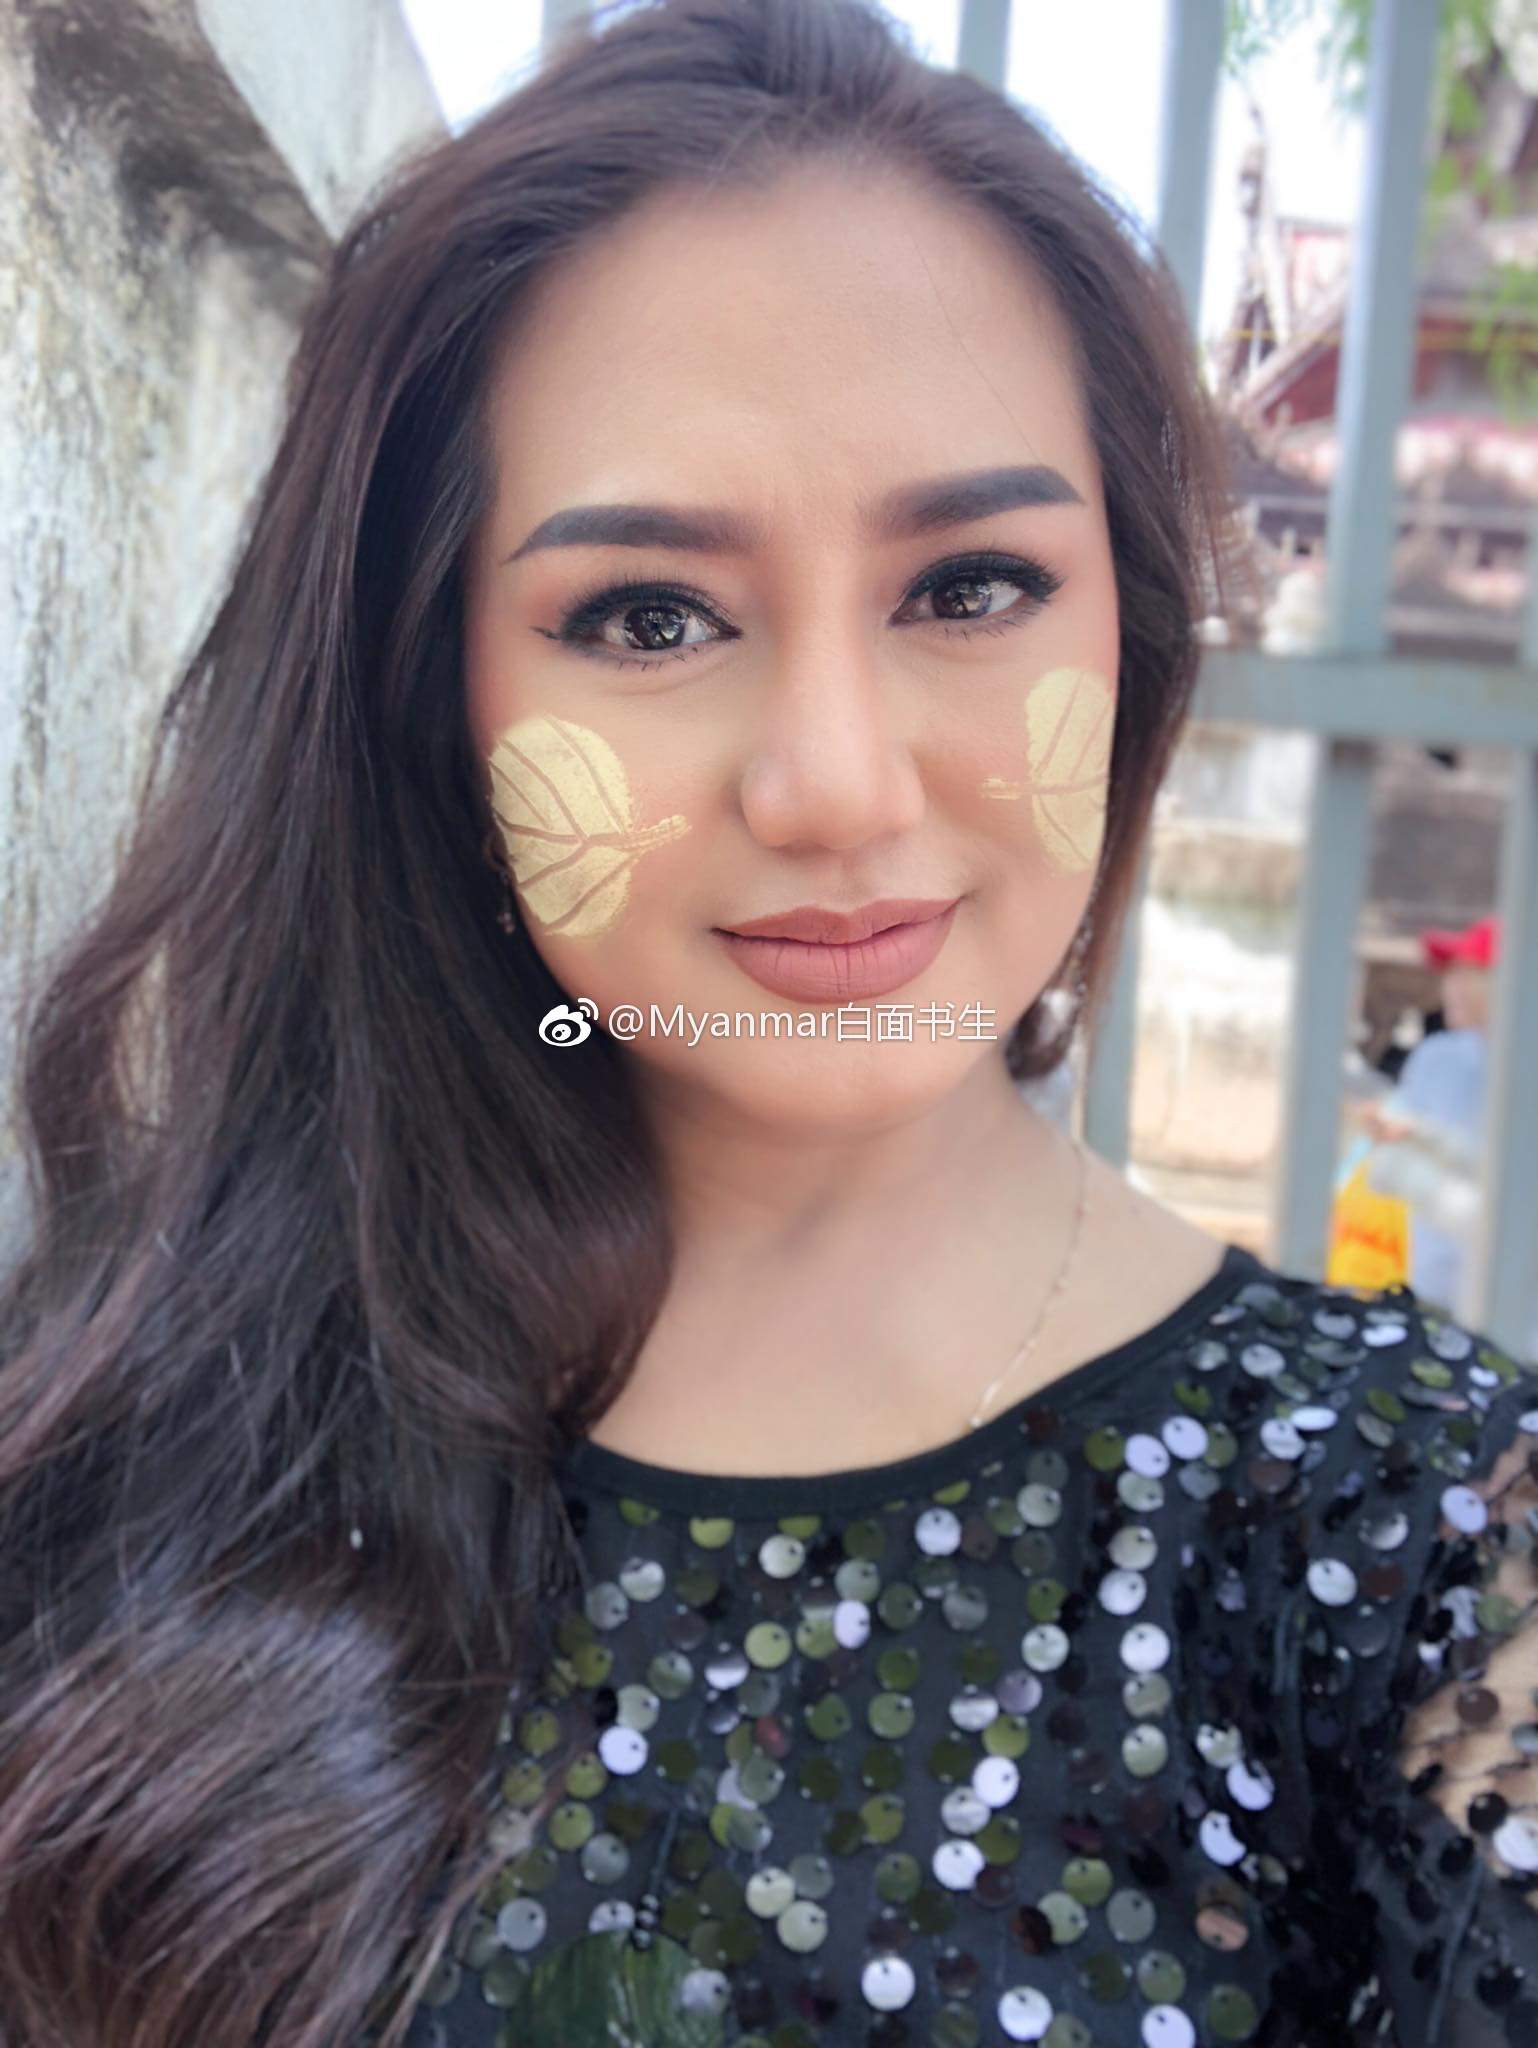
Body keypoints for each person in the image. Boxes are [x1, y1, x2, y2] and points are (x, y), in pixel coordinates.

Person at [0, 3, 1534, 2044]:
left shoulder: (1441, 1547)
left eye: (968, 587)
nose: (831, 782)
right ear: (429, 697)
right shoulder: (134, 1418)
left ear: (1135, 630)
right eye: (649, 617)